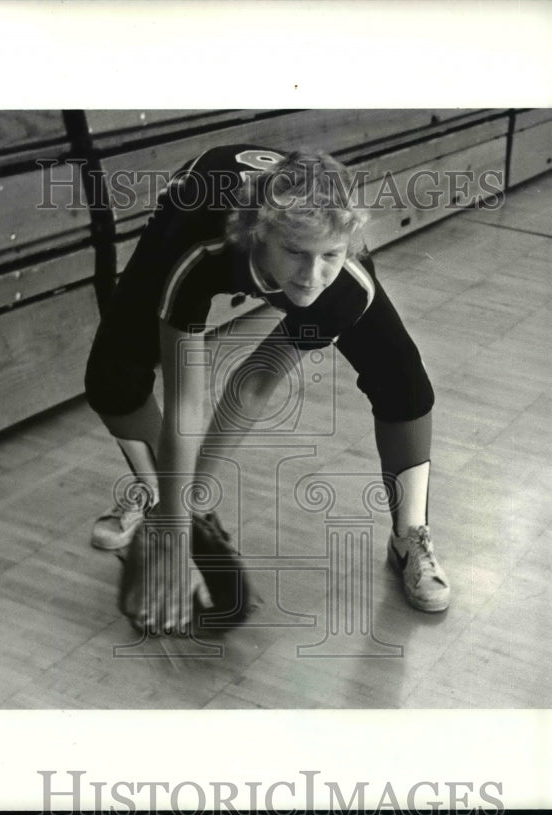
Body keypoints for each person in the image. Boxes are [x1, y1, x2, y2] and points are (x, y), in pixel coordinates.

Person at [84, 144, 449, 634]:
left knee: (403, 377)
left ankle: (410, 537)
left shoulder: (342, 283)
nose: (311, 276)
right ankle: (160, 497)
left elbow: (255, 382)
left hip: (268, 230)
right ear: (260, 234)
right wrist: (175, 525)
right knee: (112, 377)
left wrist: (186, 505)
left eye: (330, 256)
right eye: (296, 253)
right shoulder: (199, 254)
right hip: (193, 212)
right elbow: (187, 404)